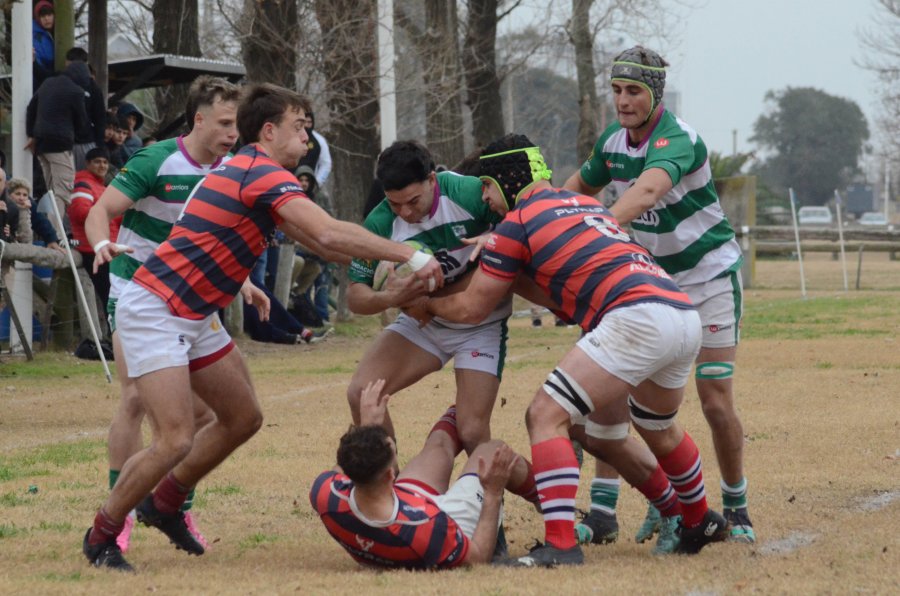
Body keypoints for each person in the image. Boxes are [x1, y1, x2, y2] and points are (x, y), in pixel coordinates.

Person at [81, 82, 443, 572]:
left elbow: (328, 244)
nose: (308, 140)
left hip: (193, 311)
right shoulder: (259, 171)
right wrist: (411, 253)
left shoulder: (258, 172)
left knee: (242, 416)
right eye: (301, 129)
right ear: (269, 131)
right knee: (175, 438)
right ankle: (102, 535)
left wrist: (386, 272)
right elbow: (327, 232)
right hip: (155, 308)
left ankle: (164, 503)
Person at [407, 134, 730, 566]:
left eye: (486, 185)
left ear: (506, 180)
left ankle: (560, 546)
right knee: (659, 427)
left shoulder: (516, 223)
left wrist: (420, 302)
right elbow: (559, 288)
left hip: (635, 316)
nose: (484, 196)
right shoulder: (588, 206)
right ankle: (697, 520)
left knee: (545, 415)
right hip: (678, 312)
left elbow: (471, 307)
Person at [563, 46, 754, 545]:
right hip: (649, 286)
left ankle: (736, 504)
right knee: (614, 394)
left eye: (634, 92)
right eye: (617, 91)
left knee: (714, 400)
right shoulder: (612, 141)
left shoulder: (678, 139)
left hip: (708, 279)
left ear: (655, 95)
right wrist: (552, 221)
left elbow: (646, 192)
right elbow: (574, 191)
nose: (623, 101)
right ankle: (606, 513)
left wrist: (592, 228)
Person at [85, 76, 243, 556]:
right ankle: (123, 511)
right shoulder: (156, 160)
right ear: (199, 120)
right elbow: (100, 210)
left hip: (190, 298)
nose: (234, 133)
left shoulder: (233, 169)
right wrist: (100, 243)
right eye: (225, 123)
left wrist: (248, 283)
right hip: (135, 290)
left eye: (237, 124)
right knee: (135, 398)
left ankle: (174, 505)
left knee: (205, 414)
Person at [346, 142, 522, 469]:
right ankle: (389, 488)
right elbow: (355, 295)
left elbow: (523, 234)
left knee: (471, 430)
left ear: (431, 180)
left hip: (479, 325)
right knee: (361, 392)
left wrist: (496, 239)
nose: (406, 213)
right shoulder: (381, 221)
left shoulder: (471, 193)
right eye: (396, 204)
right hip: (423, 325)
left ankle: (513, 495)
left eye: (413, 201)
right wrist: (390, 298)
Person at [311, 379, 527, 569]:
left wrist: (368, 427)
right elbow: (477, 558)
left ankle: (465, 408)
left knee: (439, 444)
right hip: (450, 520)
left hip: (393, 504)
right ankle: (551, 498)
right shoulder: (427, 528)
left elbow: (346, 463)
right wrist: (493, 493)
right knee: (492, 451)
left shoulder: (326, 494)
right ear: (390, 475)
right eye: (393, 450)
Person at [25, 60, 91, 237]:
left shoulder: (48, 83)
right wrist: (76, 133)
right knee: (62, 191)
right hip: (60, 143)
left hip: (41, 143)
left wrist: (31, 134)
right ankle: (56, 236)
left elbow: (31, 107)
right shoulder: (76, 91)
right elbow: (82, 122)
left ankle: (46, 233)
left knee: (51, 190)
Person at [68, 147, 119, 309]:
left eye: (105, 162)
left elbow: (114, 218)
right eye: (97, 161)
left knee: (112, 297)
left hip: (106, 248)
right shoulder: (83, 184)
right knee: (109, 298)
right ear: (87, 164)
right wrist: (106, 213)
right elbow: (80, 212)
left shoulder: (103, 188)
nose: (102, 165)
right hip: (92, 249)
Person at [64, 47, 108, 170]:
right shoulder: (60, 82)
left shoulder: (92, 87)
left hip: (83, 142)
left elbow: (100, 118)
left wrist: (100, 147)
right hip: (67, 142)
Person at [6, 177, 65, 254]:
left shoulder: (27, 204)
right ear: (9, 195)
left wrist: (51, 239)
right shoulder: (4, 201)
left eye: (24, 195)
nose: (21, 198)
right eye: (17, 194)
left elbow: (26, 238)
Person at [32, 0, 55, 90]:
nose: (46, 19)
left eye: (49, 15)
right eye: (43, 16)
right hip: (40, 83)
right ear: (38, 18)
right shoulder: (36, 36)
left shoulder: (49, 34)